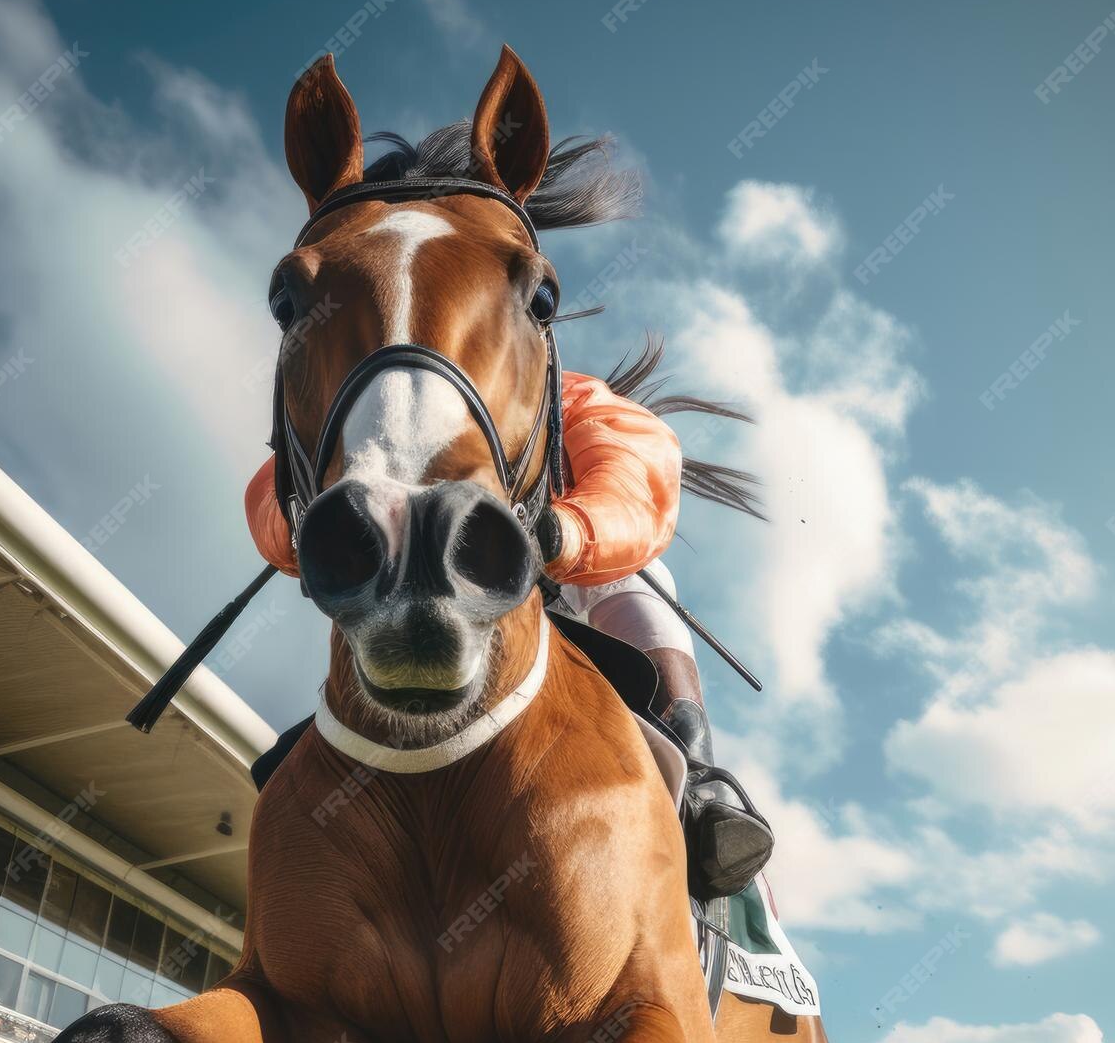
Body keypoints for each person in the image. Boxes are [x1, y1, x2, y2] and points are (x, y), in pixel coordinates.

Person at [244, 366, 774, 897]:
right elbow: (278, 480)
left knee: (642, 575)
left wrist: (561, 533)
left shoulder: (572, 395)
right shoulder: (374, 385)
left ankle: (702, 786)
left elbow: (631, 474)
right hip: (421, 586)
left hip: (555, 573)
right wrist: (302, 528)